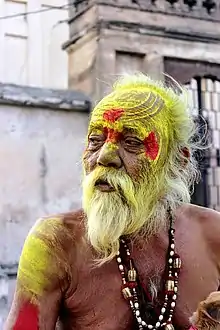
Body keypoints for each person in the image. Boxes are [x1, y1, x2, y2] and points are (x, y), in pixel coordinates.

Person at [4, 73, 220, 330]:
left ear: (178, 163)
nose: (105, 157)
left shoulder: (212, 233)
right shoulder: (55, 244)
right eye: (95, 140)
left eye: (132, 142)